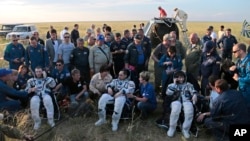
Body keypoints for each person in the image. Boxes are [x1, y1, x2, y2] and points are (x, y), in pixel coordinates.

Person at [166, 70, 198, 139]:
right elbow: (168, 93)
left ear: (184, 77)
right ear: (175, 78)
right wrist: (174, 84)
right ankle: (172, 127)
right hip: (175, 101)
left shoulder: (188, 85)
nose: (180, 79)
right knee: (176, 109)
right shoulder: (171, 85)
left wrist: (194, 95)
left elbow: (193, 91)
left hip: (186, 101)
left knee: (189, 110)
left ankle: (185, 129)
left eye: (182, 77)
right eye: (178, 77)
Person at [230, 43, 250, 110]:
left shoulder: (248, 62)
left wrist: (238, 79)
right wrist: (234, 69)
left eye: (234, 52)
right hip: (242, 89)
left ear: (241, 51)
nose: (233, 54)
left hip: (248, 91)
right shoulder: (239, 61)